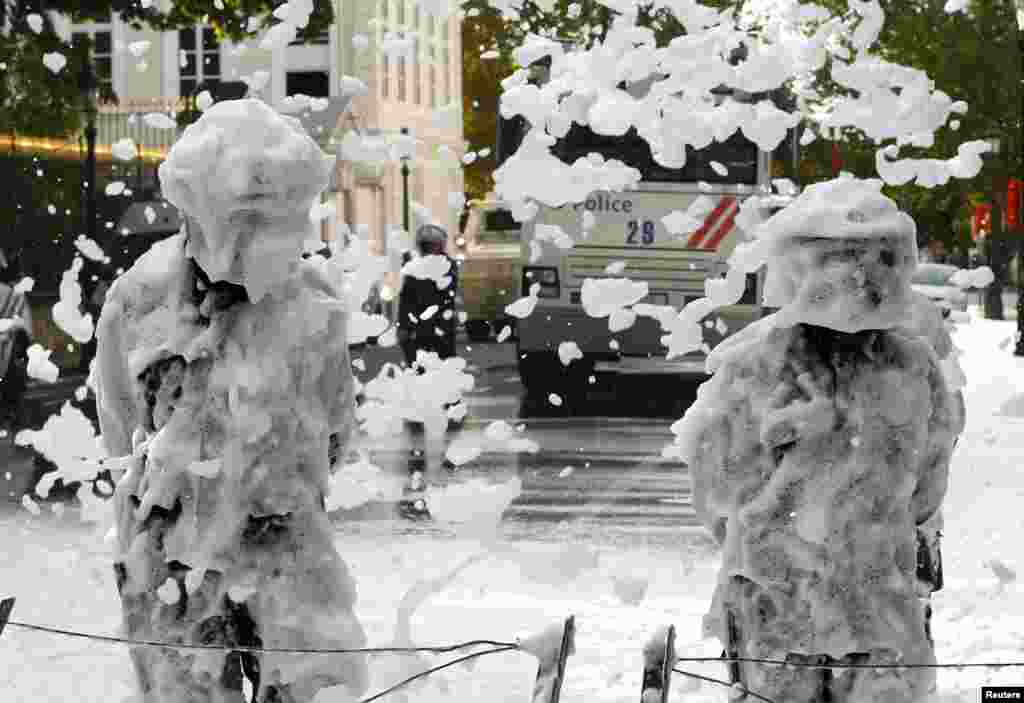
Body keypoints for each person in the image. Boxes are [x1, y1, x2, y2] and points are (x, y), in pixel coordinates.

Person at [676, 178, 961, 703]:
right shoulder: (758, 365)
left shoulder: (760, 365)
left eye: (873, 260)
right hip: (815, 604)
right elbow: (928, 483)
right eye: (843, 259)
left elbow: (718, 489)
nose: (858, 277)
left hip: (840, 604)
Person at [397, 224, 459, 367]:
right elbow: (406, 297)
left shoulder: (446, 265)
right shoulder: (415, 265)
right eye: (425, 246)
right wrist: (403, 325)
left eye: (430, 245)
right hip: (421, 328)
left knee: (443, 366)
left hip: (438, 326)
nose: (427, 249)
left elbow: (444, 295)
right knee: (417, 367)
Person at [0, 249, 32, 428]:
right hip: (12, 350)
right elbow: (26, 329)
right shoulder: (16, 296)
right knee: (11, 392)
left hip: (9, 349)